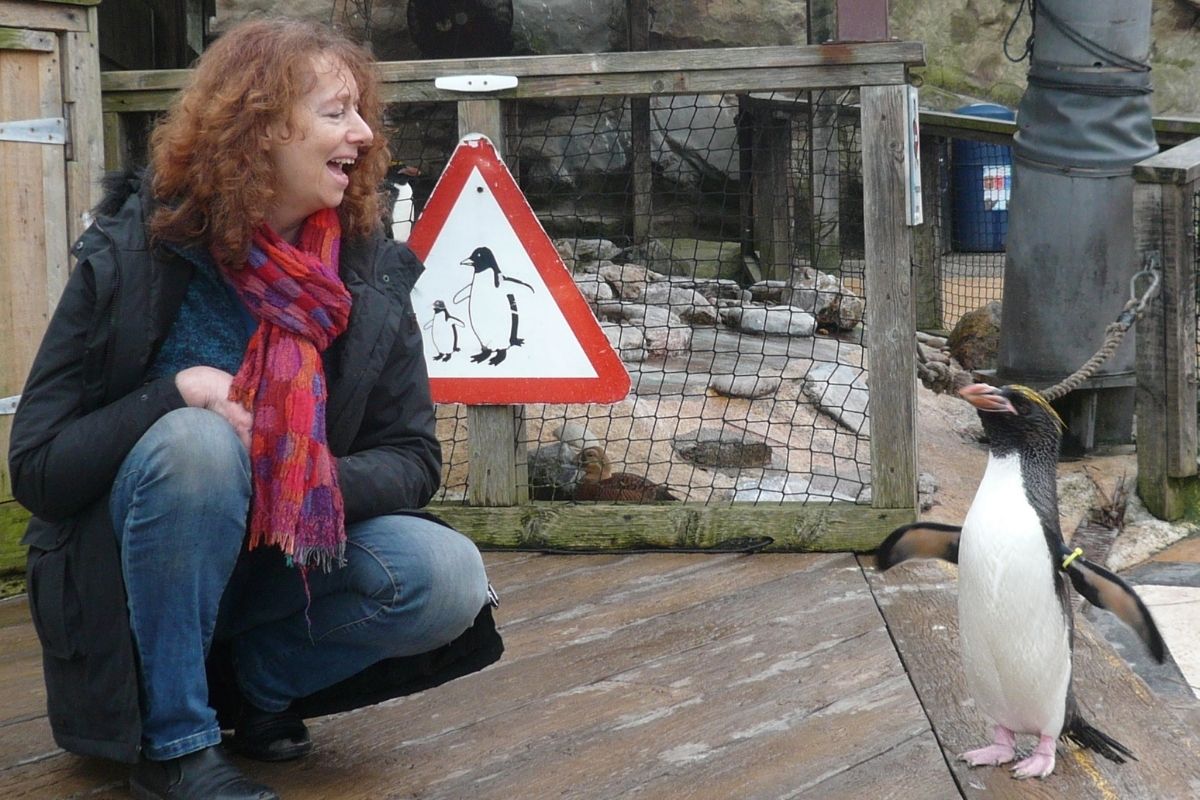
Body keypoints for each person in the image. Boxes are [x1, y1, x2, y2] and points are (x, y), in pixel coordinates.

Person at [8, 18, 501, 800]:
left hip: (278, 564)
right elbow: (37, 470)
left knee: (446, 574)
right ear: (262, 128)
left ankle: (253, 688)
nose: (364, 133)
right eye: (337, 112)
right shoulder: (134, 249)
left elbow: (413, 459)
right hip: (123, 586)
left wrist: (293, 476)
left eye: (360, 111)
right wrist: (175, 395)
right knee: (200, 446)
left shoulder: (364, 269)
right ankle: (174, 744)